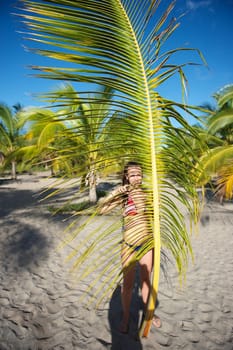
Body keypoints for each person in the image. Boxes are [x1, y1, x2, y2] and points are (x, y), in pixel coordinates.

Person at [99, 161, 161, 333]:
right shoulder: (123, 196)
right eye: (133, 174)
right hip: (128, 246)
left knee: (146, 283)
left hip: (147, 244)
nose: (136, 177)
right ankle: (126, 318)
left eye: (139, 174)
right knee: (127, 286)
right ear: (126, 176)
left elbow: (156, 218)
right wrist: (114, 194)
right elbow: (102, 210)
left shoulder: (148, 194)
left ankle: (149, 314)